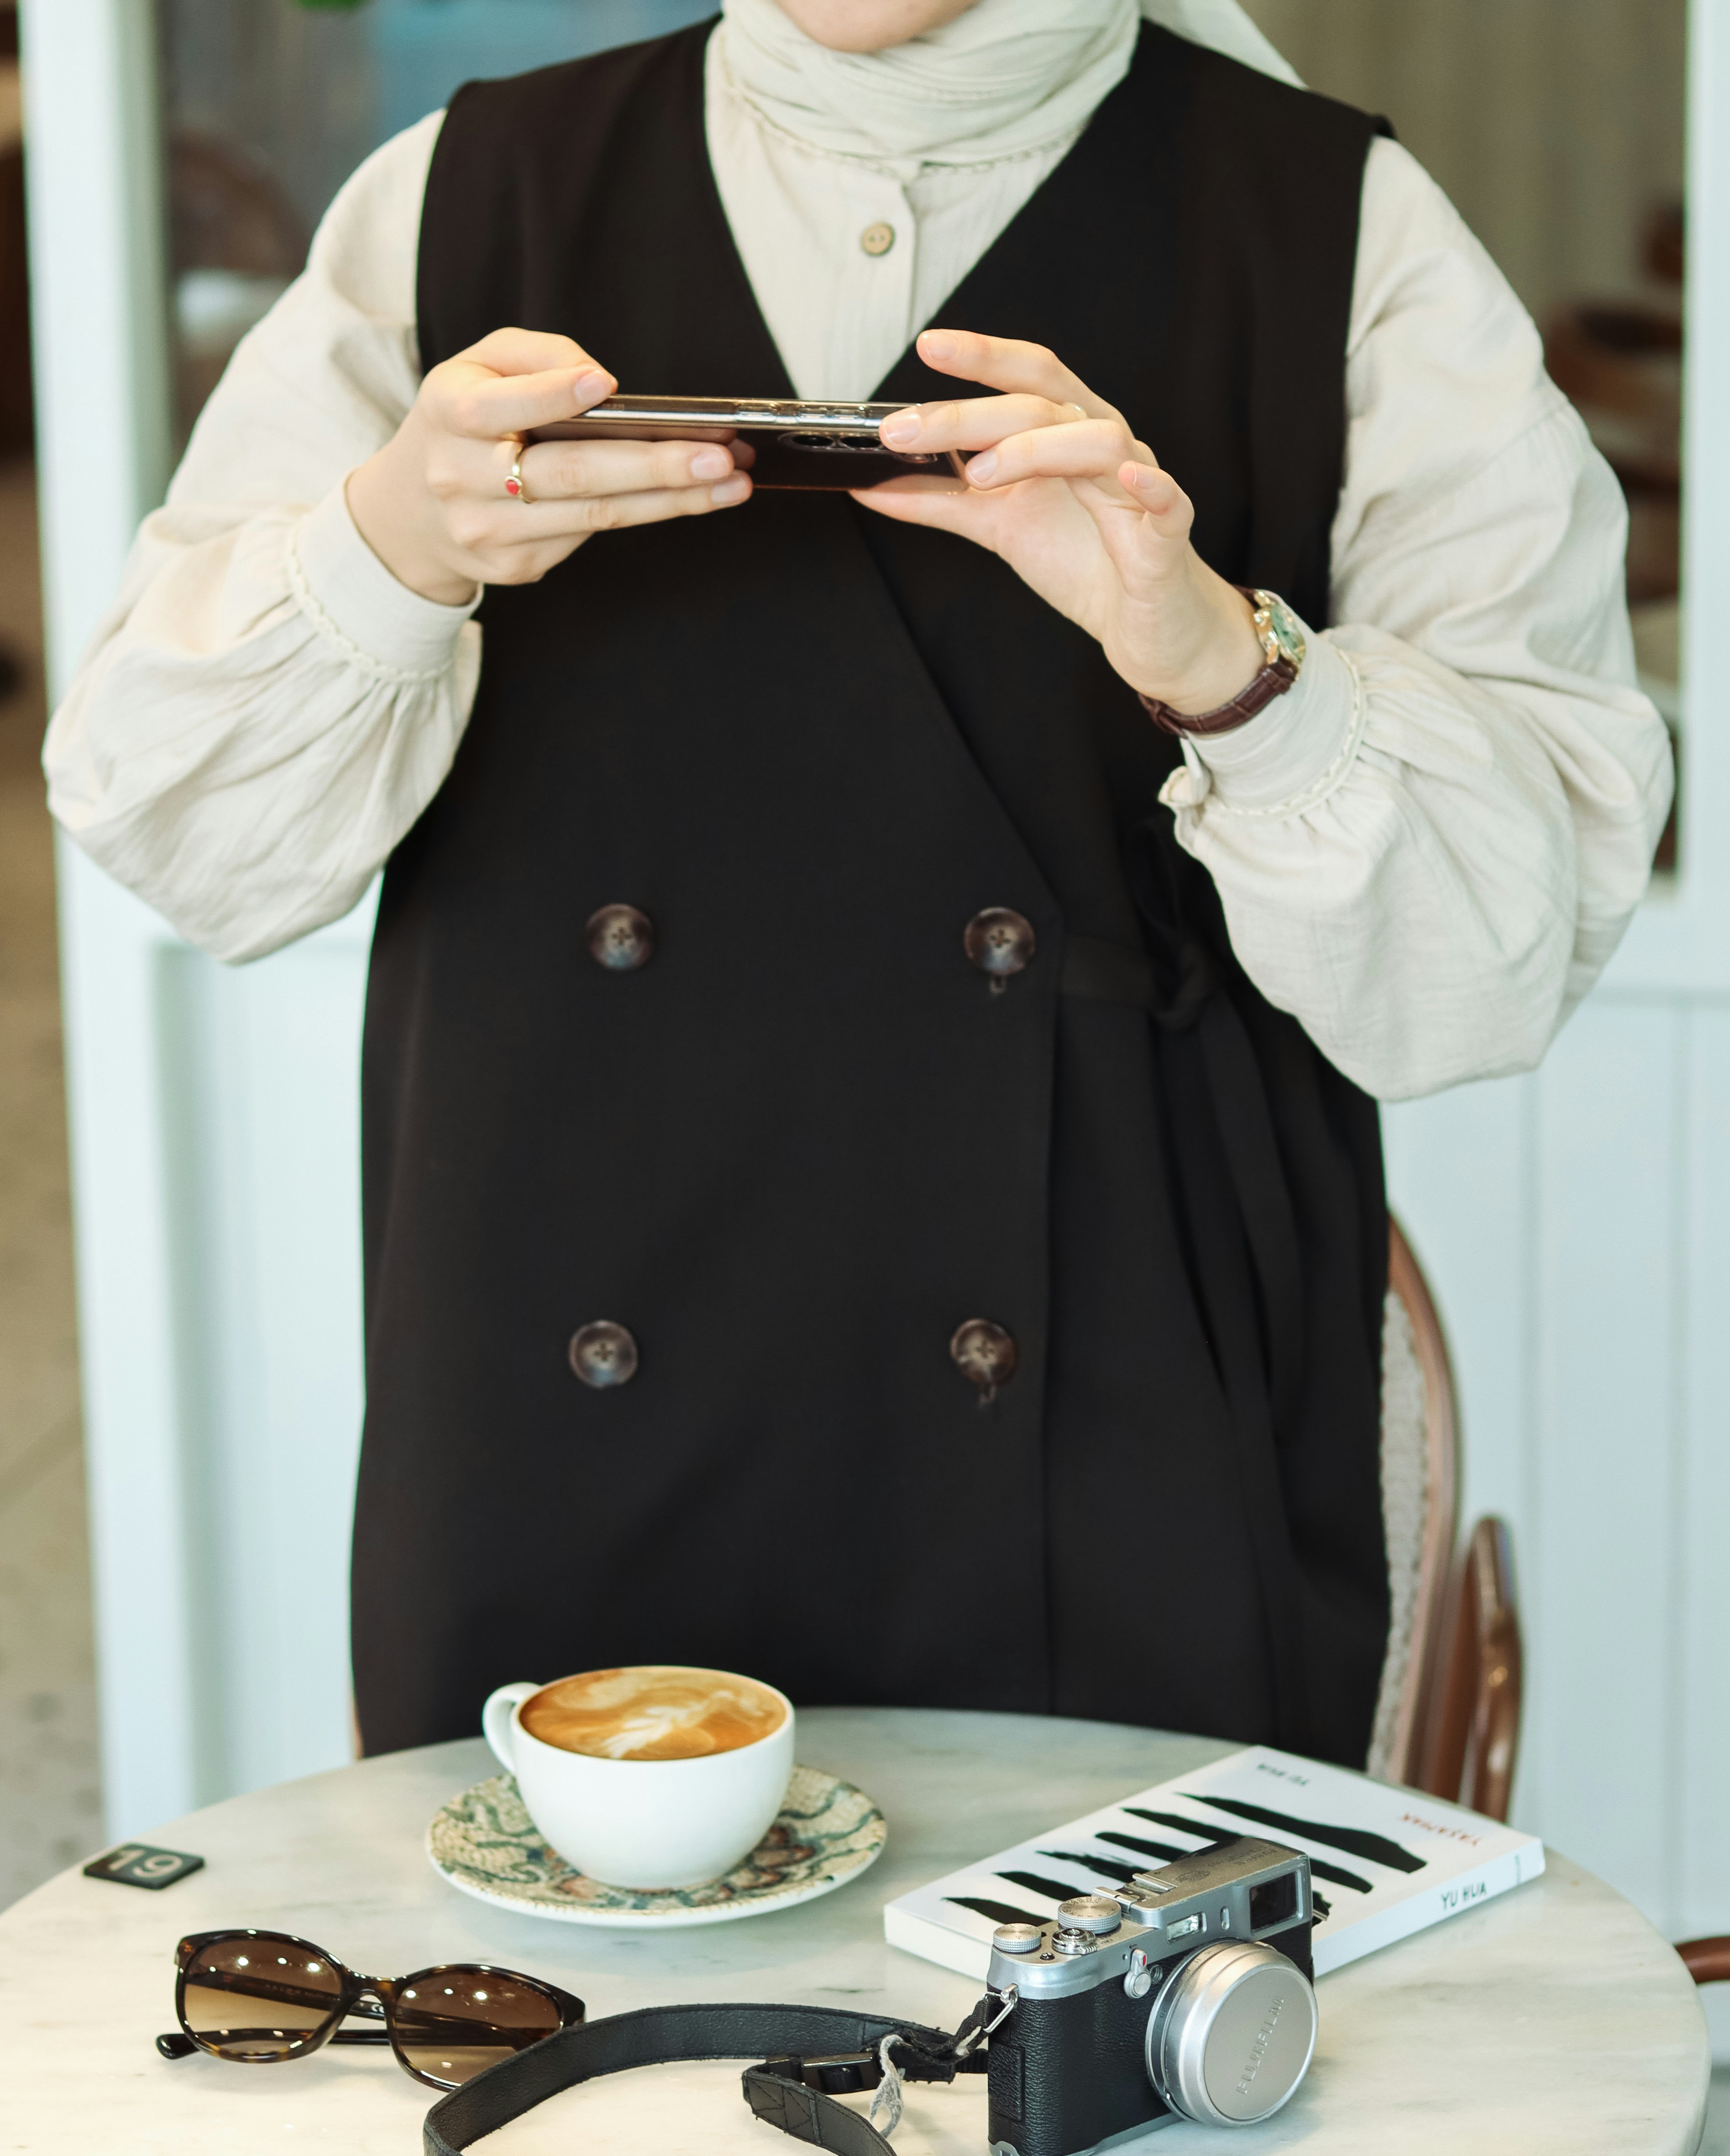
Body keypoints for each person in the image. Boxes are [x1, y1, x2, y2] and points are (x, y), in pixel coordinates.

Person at [48, 0, 1664, 1762]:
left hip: (1113, 1522)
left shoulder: (1343, 233)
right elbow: (169, 826)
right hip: (556, 1508)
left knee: (1088, 2036)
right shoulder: (458, 199)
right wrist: (391, 547)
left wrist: (1216, 655)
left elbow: (1493, 962)